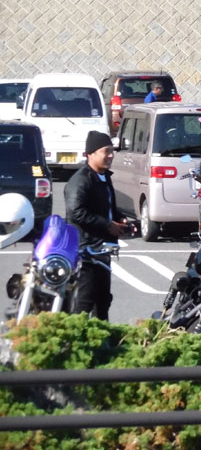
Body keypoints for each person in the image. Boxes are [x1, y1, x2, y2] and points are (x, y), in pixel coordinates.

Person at [64, 131, 130, 321]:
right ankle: (76, 336)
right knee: (84, 303)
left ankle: (102, 337)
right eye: (105, 151)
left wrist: (120, 219)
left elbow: (106, 208)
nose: (110, 155)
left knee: (103, 301)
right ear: (90, 154)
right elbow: (76, 212)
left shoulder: (104, 177)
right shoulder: (80, 180)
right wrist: (108, 225)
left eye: (112, 151)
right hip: (85, 253)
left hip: (102, 251)